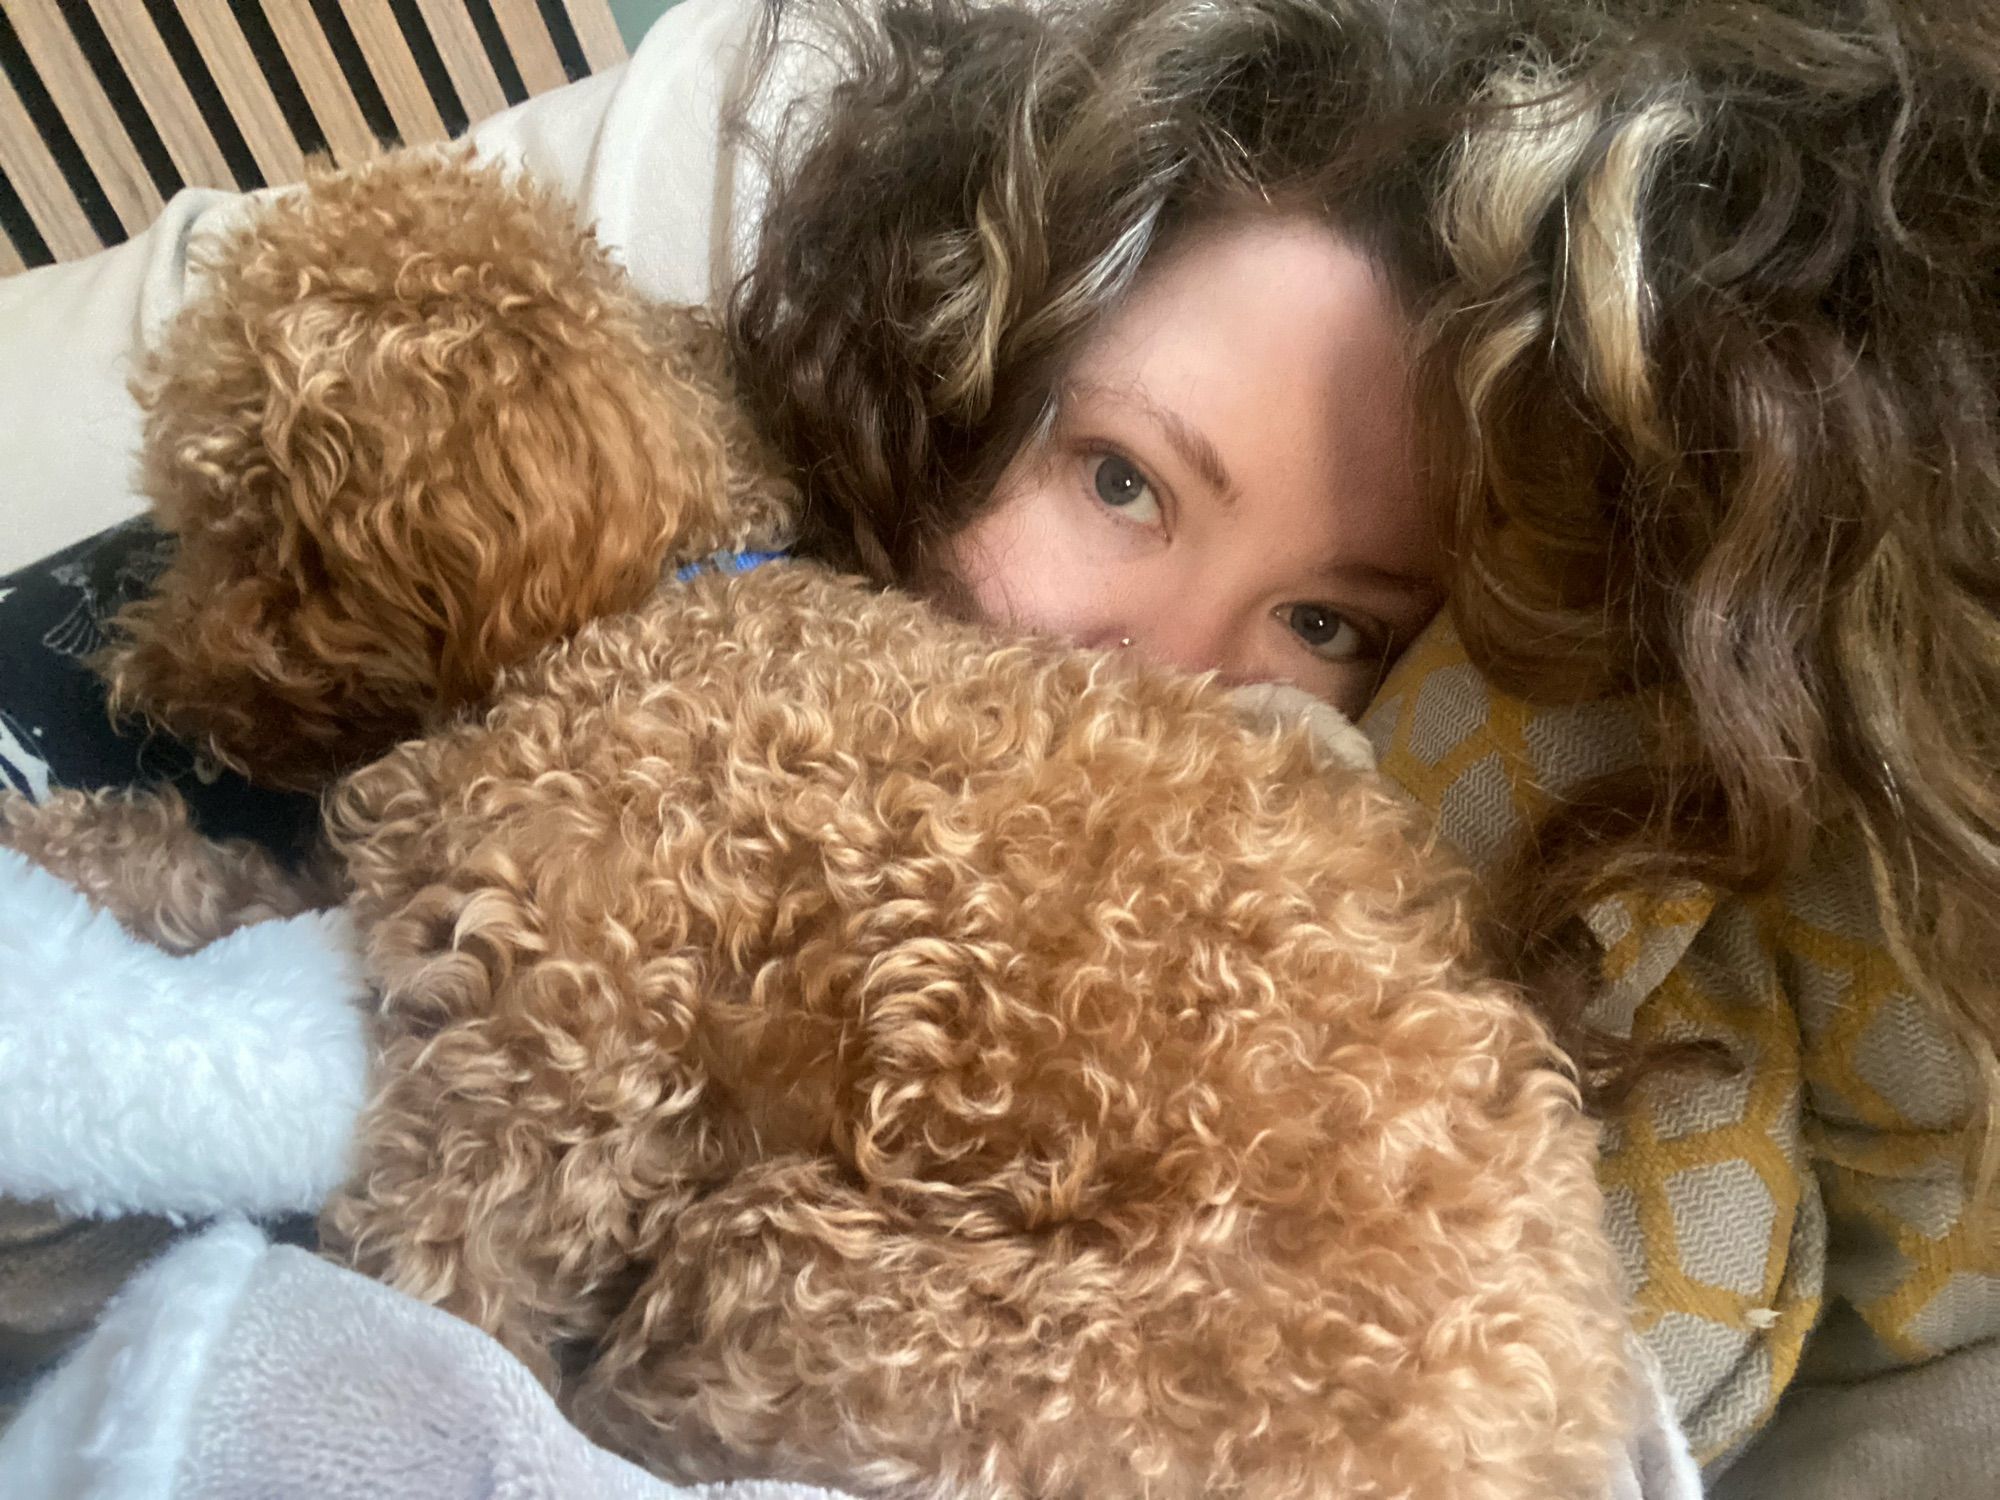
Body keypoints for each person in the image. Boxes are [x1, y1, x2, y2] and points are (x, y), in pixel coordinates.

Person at [0, 0, 1993, 1492]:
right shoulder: (590, 556)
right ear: (967, 355)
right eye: (1121, 480)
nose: (1173, 669)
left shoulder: (1308, 967)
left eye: (1329, 625)